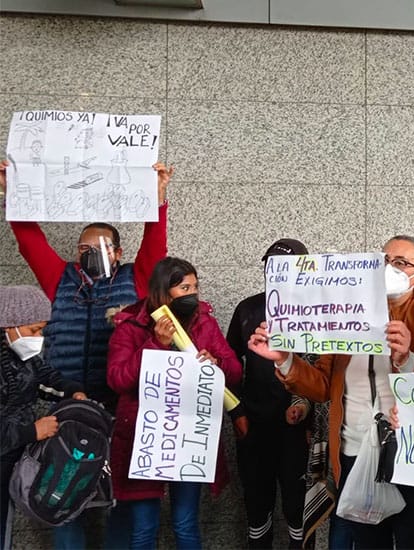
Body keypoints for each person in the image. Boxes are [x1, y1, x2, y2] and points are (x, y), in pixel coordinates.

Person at [1, 159, 172, 549]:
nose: (89, 253)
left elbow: (155, 244)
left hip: (120, 406)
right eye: (83, 248)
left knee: (118, 503)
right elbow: (30, 240)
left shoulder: (138, 278)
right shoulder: (59, 278)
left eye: (98, 247)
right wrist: (14, 191)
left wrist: (158, 198)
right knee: (62, 496)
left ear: (118, 251)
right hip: (66, 409)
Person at [247, 235, 414, 550]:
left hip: (411, 453)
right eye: (383, 261)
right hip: (353, 452)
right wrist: (285, 359)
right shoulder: (347, 315)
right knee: (368, 542)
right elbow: (320, 386)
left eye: (400, 263)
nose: (389, 268)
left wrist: (406, 359)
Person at [107, 257, 241, 549]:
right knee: (143, 528)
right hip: (146, 440)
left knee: (186, 523)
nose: (192, 293)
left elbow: (234, 370)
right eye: (184, 287)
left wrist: (216, 362)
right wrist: (155, 344)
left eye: (195, 286)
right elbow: (118, 380)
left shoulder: (204, 322)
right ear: (164, 292)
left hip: (189, 439)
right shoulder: (130, 325)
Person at [226, 238, 312, 549]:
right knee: (257, 507)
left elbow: (327, 372)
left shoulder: (321, 311)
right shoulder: (247, 309)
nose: (276, 273)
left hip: (300, 431)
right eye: (271, 266)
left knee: (299, 510)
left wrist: (313, 420)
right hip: (254, 426)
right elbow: (228, 366)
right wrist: (237, 413)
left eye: (286, 268)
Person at [0, 285, 87, 550]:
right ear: (9, 325)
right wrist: (31, 432)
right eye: (34, 330)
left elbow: (44, 379)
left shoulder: (21, 356)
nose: (39, 337)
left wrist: (72, 391)